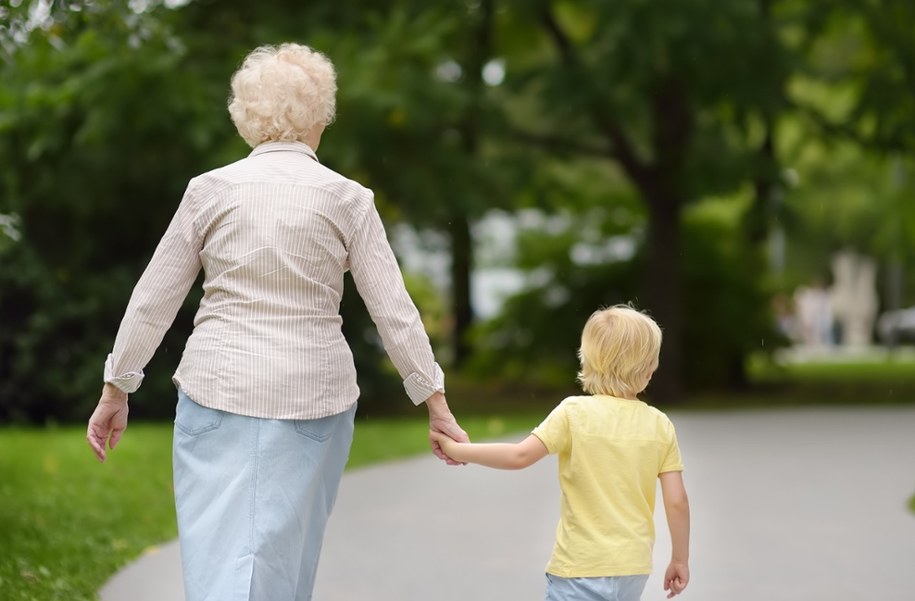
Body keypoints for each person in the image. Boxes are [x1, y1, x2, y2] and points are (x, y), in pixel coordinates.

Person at [86, 42, 468, 601]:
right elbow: (395, 312)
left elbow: (153, 300)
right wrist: (434, 402)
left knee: (215, 556)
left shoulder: (208, 192)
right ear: (321, 115)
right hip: (315, 399)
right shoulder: (348, 199)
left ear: (247, 116)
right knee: (285, 566)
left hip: (216, 390)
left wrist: (117, 386)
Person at [431, 305, 690, 601]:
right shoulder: (659, 424)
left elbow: (519, 456)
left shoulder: (574, 413)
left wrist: (458, 449)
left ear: (589, 360)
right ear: (649, 368)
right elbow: (677, 501)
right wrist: (679, 559)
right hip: (633, 568)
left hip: (579, 568)